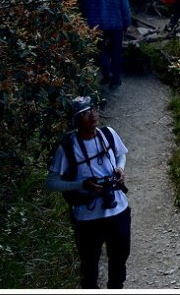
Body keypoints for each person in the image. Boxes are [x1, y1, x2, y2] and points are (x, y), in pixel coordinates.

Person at [46, 96, 131, 289]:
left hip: (118, 208)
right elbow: (51, 182)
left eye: (92, 110)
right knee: (89, 268)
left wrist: (119, 168)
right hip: (87, 217)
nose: (91, 115)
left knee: (119, 259)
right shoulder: (68, 147)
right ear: (76, 121)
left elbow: (121, 153)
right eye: (84, 114)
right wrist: (81, 185)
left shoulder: (108, 134)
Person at [82, 0, 132, 89]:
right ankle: (115, 79)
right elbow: (124, 7)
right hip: (115, 25)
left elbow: (83, 7)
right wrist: (126, 24)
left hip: (95, 26)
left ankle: (106, 74)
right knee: (116, 53)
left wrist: (84, 23)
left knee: (100, 51)